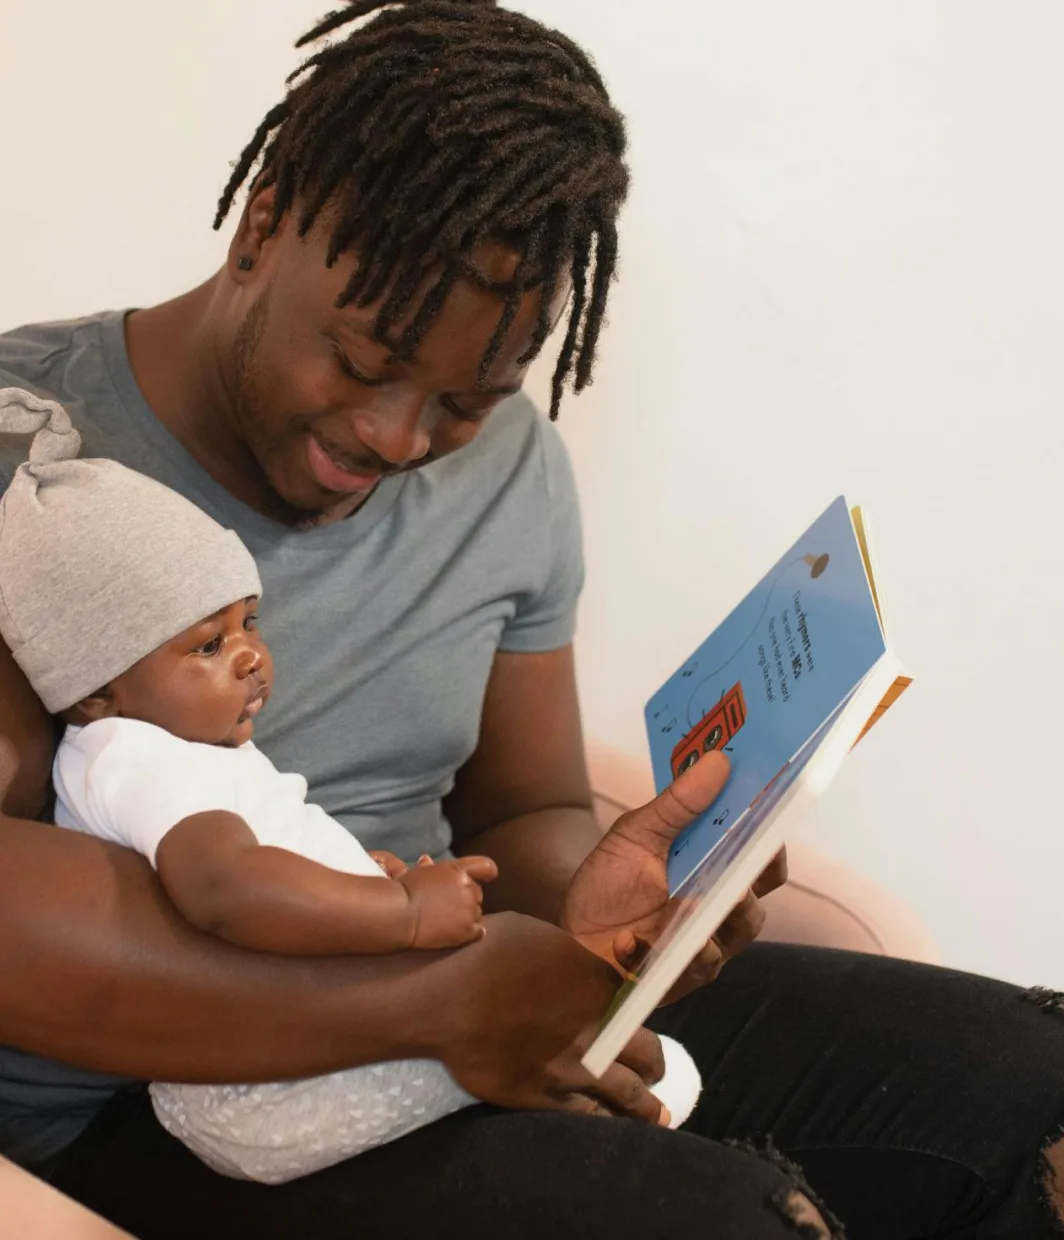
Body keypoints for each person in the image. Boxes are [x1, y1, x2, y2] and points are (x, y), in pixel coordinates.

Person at [0, 2, 1064, 1237]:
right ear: (262, 225)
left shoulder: (508, 466)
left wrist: (618, 902)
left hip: (464, 986)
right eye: (360, 361)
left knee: (1037, 1082)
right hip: (160, 1102)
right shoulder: (28, 455)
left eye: (467, 395)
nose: (398, 438)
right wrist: (432, 1000)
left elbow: (523, 814)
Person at [0, 385, 700, 1183]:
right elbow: (226, 888)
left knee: (622, 1058)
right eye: (205, 646)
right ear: (95, 691)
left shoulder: (178, 747)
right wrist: (397, 913)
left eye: (248, 624)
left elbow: (269, 869)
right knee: (643, 1078)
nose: (251, 657)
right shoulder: (138, 756)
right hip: (255, 1089)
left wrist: (363, 884)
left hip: (293, 1055)